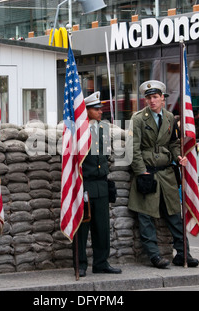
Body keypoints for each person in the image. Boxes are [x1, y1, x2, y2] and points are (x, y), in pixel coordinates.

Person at [128, 80, 199, 269]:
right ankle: (154, 256)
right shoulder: (138, 119)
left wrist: (179, 156)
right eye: (148, 98)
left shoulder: (169, 118)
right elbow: (133, 148)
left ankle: (183, 253)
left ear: (162, 99)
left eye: (155, 97)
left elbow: (174, 143)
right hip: (147, 172)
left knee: (174, 214)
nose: (151, 101)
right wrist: (141, 171)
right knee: (146, 216)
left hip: (166, 173)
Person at [77, 91, 122, 277]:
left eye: (100, 108)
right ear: (86, 110)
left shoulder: (102, 130)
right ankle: (80, 264)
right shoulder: (78, 132)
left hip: (101, 185)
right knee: (82, 228)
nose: (100, 112)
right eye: (96, 109)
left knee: (102, 228)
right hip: (85, 184)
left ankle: (101, 262)